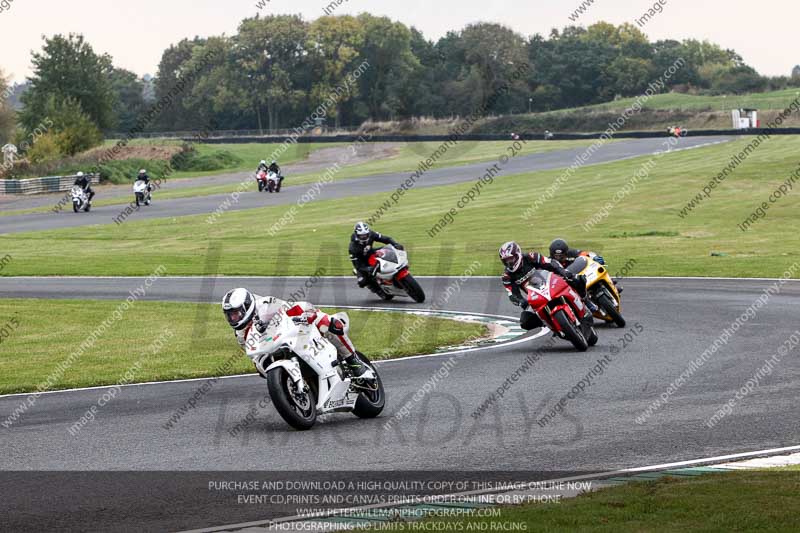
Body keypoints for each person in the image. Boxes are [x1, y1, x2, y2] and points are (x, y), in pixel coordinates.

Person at [222, 288, 368, 377]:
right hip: (274, 346)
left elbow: (289, 307)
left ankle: (353, 360)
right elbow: (254, 355)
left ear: (246, 306)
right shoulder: (240, 334)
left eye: (236, 313)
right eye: (229, 315)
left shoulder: (264, 303)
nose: (233, 318)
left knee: (325, 323)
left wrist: (303, 315)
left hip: (293, 329)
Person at [499, 241, 593, 330]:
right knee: (525, 322)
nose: (509, 262)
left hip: (552, 281)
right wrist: (521, 301)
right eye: (506, 260)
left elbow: (550, 262)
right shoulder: (507, 276)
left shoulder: (531, 257)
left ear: (518, 254)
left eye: (511, 258)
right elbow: (512, 294)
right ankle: (550, 323)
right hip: (536, 296)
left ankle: (586, 301)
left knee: (577, 279)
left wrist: (563, 272)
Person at [349, 221, 403, 295]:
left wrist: (395, 244)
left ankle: (398, 266)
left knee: (389, 250)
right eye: (362, 236)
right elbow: (358, 266)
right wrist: (368, 269)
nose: (364, 237)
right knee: (362, 282)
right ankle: (378, 290)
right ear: (357, 234)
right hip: (363, 263)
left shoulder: (371, 234)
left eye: (366, 235)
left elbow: (385, 239)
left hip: (372, 253)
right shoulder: (353, 248)